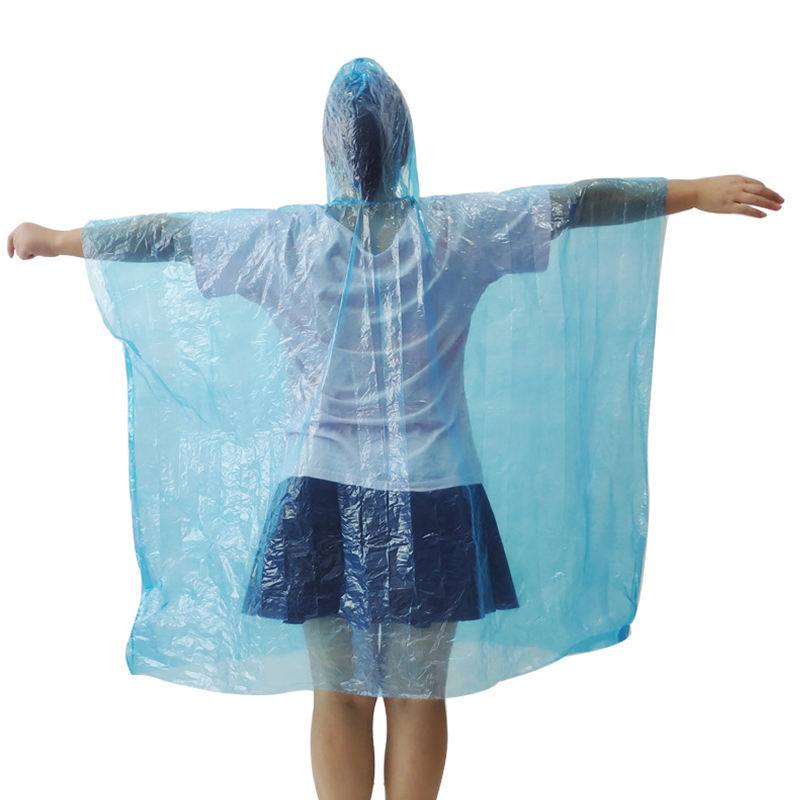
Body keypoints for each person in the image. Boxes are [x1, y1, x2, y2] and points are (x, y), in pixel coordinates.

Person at [7, 57, 783, 800]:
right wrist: (693, 192)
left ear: (329, 149)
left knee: (340, 694)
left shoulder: (283, 242)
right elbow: (577, 202)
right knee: (416, 694)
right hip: (433, 493)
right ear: (406, 143)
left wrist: (60, 238)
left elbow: (168, 236)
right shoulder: (458, 233)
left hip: (316, 495)